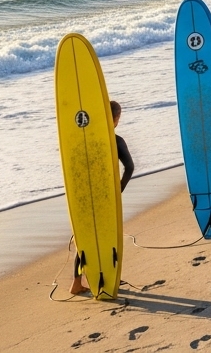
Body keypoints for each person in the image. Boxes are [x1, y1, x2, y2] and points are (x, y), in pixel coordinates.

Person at [70, 100, 134, 296]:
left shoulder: (88, 138)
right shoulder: (116, 140)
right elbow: (129, 167)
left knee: (86, 240)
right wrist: (118, 190)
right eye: (118, 117)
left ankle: (76, 283)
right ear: (114, 118)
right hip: (106, 198)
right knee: (108, 237)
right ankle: (108, 275)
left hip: (86, 197)